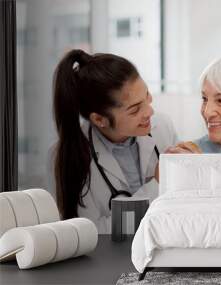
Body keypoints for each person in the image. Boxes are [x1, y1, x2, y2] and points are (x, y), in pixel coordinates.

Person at [47, 49, 177, 233]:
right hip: (110, 259)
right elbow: (92, 232)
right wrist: (157, 184)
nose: (149, 112)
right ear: (100, 120)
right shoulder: (72, 158)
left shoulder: (162, 128)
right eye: (134, 110)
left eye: (146, 96)